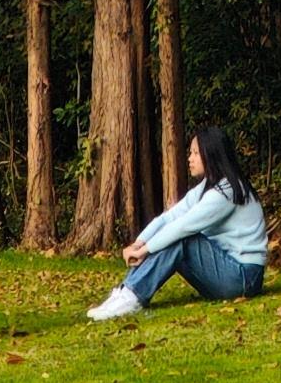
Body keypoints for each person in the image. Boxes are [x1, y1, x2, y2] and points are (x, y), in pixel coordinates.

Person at [88, 120, 269, 321]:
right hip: (229, 273)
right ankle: (126, 292)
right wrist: (139, 243)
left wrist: (145, 250)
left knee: (183, 238)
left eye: (195, 153)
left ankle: (132, 297)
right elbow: (170, 217)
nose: (189, 158)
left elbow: (183, 226)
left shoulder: (226, 192)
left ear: (211, 155)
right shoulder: (206, 188)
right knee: (172, 235)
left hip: (244, 278)